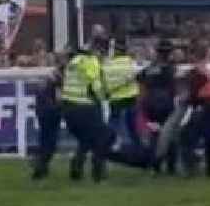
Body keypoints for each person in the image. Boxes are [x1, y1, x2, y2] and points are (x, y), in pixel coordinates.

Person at [61, 39, 149, 183]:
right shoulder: (91, 62)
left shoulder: (74, 62)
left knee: (86, 140)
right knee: (104, 139)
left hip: (68, 108)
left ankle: (76, 170)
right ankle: (98, 174)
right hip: (84, 107)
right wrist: (104, 96)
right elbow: (96, 87)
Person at [180, 44, 210, 178]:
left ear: (194, 56)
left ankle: (191, 167)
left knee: (186, 137)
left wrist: (185, 101)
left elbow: (193, 93)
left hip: (205, 106)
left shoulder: (197, 72)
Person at [138, 39, 178, 175]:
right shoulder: (170, 68)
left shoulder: (150, 68)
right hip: (166, 104)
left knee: (155, 135)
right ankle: (170, 166)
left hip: (150, 105)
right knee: (170, 135)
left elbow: (139, 77)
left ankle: (156, 166)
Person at [103, 39, 140, 148]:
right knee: (132, 125)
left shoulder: (107, 64)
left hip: (115, 98)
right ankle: (135, 146)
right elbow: (136, 75)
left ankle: (111, 144)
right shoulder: (130, 62)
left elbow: (105, 81)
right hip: (130, 97)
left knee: (114, 123)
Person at [30, 67, 63, 181]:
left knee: (44, 140)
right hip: (50, 113)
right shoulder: (55, 84)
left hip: (43, 113)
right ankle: (40, 166)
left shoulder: (46, 82)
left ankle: (41, 165)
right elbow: (58, 101)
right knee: (50, 143)